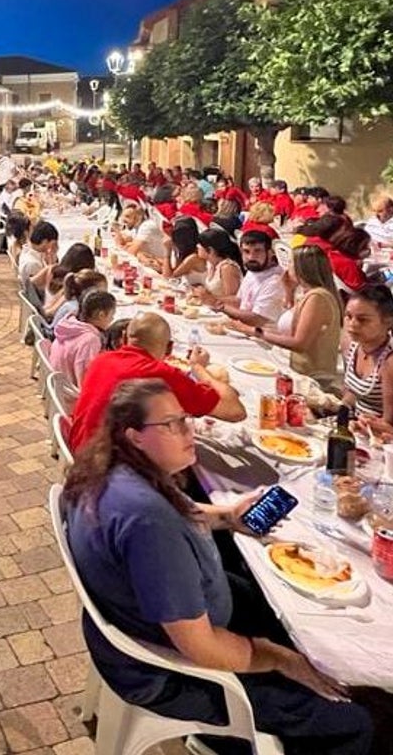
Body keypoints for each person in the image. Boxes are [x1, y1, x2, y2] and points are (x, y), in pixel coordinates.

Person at [62, 380, 374, 755]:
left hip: (143, 625)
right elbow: (202, 648)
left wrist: (227, 515)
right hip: (165, 672)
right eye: (172, 424)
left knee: (269, 599)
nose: (189, 430)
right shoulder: (149, 523)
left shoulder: (115, 471)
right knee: (354, 726)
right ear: (135, 436)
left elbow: (183, 510)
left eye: (186, 419)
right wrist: (280, 659)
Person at [67, 312, 245, 452]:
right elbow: (235, 411)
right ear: (169, 347)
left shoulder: (101, 360)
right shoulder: (163, 376)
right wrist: (198, 368)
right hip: (108, 471)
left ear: (124, 338)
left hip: (80, 448)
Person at [235, 244, 343, 389]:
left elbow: (299, 343)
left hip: (303, 375)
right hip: (283, 362)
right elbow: (290, 324)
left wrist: (255, 332)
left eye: (291, 263)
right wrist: (288, 291)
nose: (287, 267)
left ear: (301, 268)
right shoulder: (307, 293)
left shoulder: (318, 298)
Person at [341, 284, 393, 427]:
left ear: (387, 322)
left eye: (362, 319)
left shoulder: (389, 362)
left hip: (376, 437)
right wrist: (341, 410)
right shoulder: (352, 344)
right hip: (354, 423)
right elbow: (351, 393)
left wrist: (365, 424)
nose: (353, 324)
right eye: (349, 316)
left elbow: (389, 424)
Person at [210, 230, 287, 326]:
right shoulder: (254, 270)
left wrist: (219, 305)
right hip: (241, 328)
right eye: (246, 251)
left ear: (270, 253)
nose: (251, 257)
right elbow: (240, 301)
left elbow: (256, 319)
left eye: (257, 251)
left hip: (261, 335)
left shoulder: (275, 280)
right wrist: (210, 299)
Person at [49, 290, 118, 386]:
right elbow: (85, 376)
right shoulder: (90, 339)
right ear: (101, 315)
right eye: (112, 315)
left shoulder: (70, 324)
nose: (112, 319)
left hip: (59, 385)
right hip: (70, 392)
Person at [194, 227, 243, 302]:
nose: (197, 246)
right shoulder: (210, 264)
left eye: (200, 245)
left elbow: (234, 300)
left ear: (210, 250)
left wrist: (208, 297)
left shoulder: (227, 268)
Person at [18, 221, 59, 306]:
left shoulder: (30, 251)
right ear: (45, 241)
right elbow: (48, 288)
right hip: (41, 302)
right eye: (54, 243)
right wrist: (53, 258)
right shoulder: (32, 263)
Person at [115, 203, 167, 267]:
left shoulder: (147, 226)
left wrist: (135, 250)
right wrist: (117, 231)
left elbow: (130, 253)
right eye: (122, 216)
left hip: (160, 265)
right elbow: (122, 242)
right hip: (149, 261)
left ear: (138, 217)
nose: (123, 219)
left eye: (127, 216)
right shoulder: (135, 226)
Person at [165, 217, 208, 286]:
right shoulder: (188, 250)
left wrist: (167, 251)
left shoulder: (194, 258)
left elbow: (168, 277)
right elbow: (176, 268)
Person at [328, 227, 372, 293]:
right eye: (365, 246)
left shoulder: (333, 254)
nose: (368, 248)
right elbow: (360, 288)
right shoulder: (348, 264)